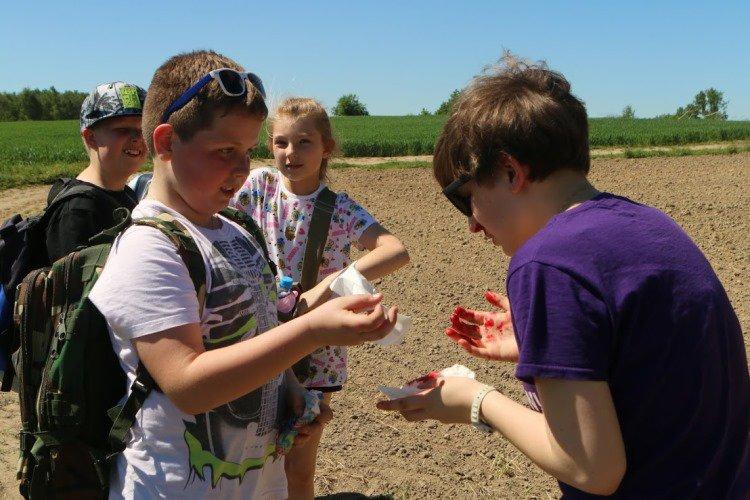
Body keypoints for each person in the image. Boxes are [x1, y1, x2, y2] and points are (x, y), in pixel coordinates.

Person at [377, 55, 749, 498]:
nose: (472, 225)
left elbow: (591, 467)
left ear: (512, 172)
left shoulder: (547, 262)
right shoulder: (649, 223)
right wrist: (546, 344)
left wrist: (474, 400)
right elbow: (649, 369)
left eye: (466, 199)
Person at [88, 50, 398, 499]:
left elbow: (260, 330)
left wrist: (293, 393)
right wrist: (311, 331)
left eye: (248, 151)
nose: (242, 168)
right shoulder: (149, 245)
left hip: (256, 484)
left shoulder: (235, 230)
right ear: (166, 142)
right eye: (224, 151)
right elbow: (189, 385)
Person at [232, 97, 410, 499]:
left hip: (317, 355)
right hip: (259, 336)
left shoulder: (340, 208)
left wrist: (326, 288)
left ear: (327, 147)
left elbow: (395, 250)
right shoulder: (259, 188)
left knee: (299, 464)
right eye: (280, 142)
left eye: (304, 142)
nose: (290, 153)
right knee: (249, 459)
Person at [45, 81, 147, 262]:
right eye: (123, 129)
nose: (137, 138)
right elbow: (71, 286)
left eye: (142, 129)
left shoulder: (125, 193)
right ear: (91, 137)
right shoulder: (77, 210)